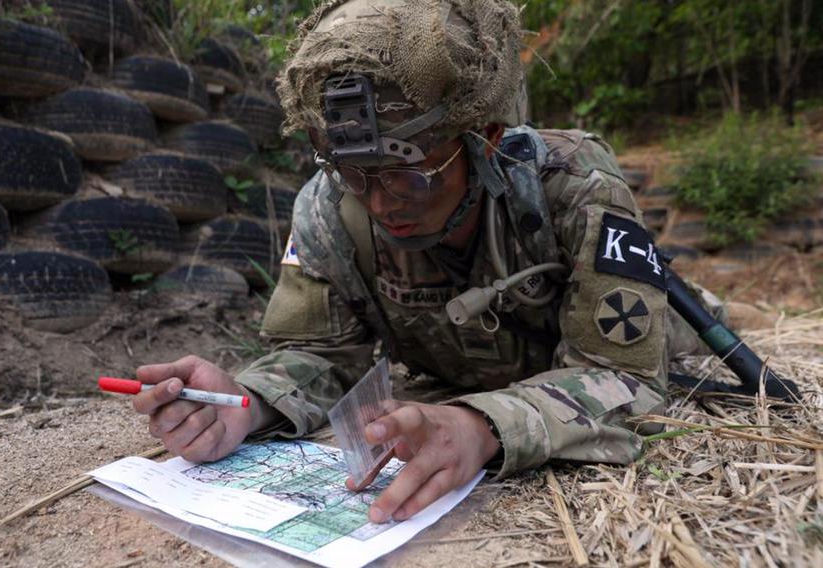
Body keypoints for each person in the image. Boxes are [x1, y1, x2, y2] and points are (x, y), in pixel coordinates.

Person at [131, 0, 708, 524]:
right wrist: (245, 403)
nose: (381, 203)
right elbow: (322, 354)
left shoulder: (572, 186)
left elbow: (626, 378)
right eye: (357, 173)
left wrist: (481, 426)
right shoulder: (331, 208)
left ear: (483, 139)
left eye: (410, 174)